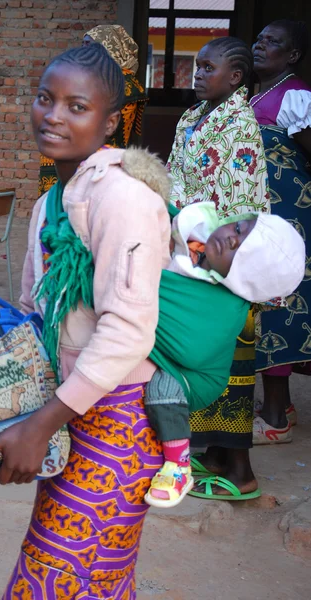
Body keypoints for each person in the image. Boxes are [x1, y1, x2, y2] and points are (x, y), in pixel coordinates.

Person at [0, 43, 171, 597]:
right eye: (45, 99)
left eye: (76, 106)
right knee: (92, 577)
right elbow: (41, 310)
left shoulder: (123, 199)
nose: (54, 115)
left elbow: (129, 329)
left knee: (57, 577)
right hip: (70, 409)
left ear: (110, 122)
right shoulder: (53, 201)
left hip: (119, 420)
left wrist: (41, 424)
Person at [144, 202, 304, 507]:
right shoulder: (199, 236)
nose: (231, 238)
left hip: (194, 378)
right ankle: (213, 456)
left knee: (161, 391)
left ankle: (178, 463)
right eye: (239, 228)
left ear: (246, 280)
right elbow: (169, 215)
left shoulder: (226, 304)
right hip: (172, 350)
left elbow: (192, 350)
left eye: (242, 253)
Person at [167, 37, 271, 500]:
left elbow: (239, 215)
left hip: (224, 262)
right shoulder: (193, 117)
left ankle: (241, 470)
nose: (199, 74)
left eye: (209, 68)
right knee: (205, 351)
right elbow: (172, 177)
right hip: (191, 251)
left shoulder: (241, 127)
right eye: (198, 66)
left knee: (234, 359)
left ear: (236, 78)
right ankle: (212, 455)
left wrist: (202, 253)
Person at [251, 20, 311, 444]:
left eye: (273, 42)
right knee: (263, 301)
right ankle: (281, 403)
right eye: (259, 39)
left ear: (292, 55)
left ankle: (276, 418)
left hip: (288, 217)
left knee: (279, 305)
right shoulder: (258, 95)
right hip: (264, 217)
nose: (260, 46)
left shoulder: (296, 96)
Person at [38, 24, 148, 195]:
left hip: (97, 167)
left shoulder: (122, 82)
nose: (84, 50)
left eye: (90, 45)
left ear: (111, 47)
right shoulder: (92, 79)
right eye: (83, 44)